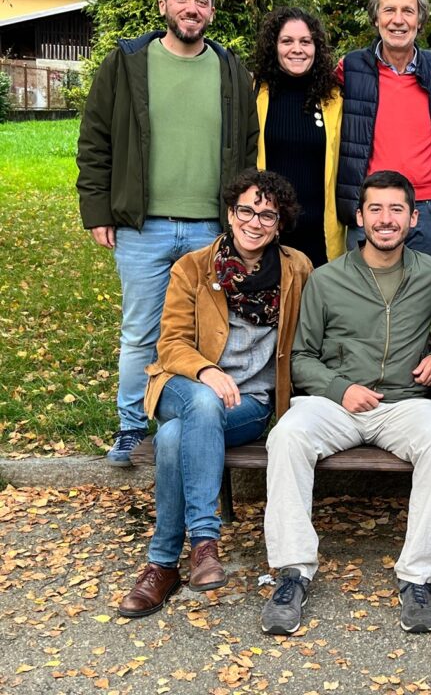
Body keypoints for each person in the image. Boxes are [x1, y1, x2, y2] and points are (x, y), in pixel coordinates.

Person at [260, 171, 431, 636]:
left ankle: (417, 577)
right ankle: (292, 572)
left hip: (403, 403)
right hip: (336, 404)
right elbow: (301, 357)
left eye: (396, 210)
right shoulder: (327, 279)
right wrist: (339, 388)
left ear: (414, 218)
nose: (386, 219)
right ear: (359, 217)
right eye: (376, 209)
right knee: (286, 436)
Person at [76, 0, 259, 466]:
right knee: (141, 332)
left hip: (209, 227)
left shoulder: (230, 70)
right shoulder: (128, 62)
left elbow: (246, 146)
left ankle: (183, 425)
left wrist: (238, 219)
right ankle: (131, 427)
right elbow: (95, 141)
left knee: (205, 332)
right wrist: (97, 210)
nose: (191, 8)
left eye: (201, 1)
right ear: (163, 6)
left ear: (211, 12)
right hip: (143, 226)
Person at [117, 170, 311, 618]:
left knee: (171, 438)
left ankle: (162, 565)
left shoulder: (297, 269)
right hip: (182, 386)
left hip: (249, 403)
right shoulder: (193, 267)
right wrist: (206, 370)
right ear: (230, 213)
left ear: (279, 225)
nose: (255, 222)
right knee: (202, 402)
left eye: (267, 215)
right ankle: (205, 541)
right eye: (246, 210)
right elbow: (170, 343)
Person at [336, 0, 431, 256]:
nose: (398, 20)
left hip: (428, 207)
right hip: (371, 204)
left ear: (420, 20)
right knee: (366, 283)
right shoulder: (351, 67)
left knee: (424, 284)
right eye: (389, 10)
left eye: (408, 11)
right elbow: (309, 88)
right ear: (376, 18)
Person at [252, 7, 344, 268]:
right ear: (274, 46)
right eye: (287, 41)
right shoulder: (255, 93)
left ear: (316, 47)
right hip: (268, 229)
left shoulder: (335, 98)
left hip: (320, 234)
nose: (297, 49)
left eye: (305, 41)